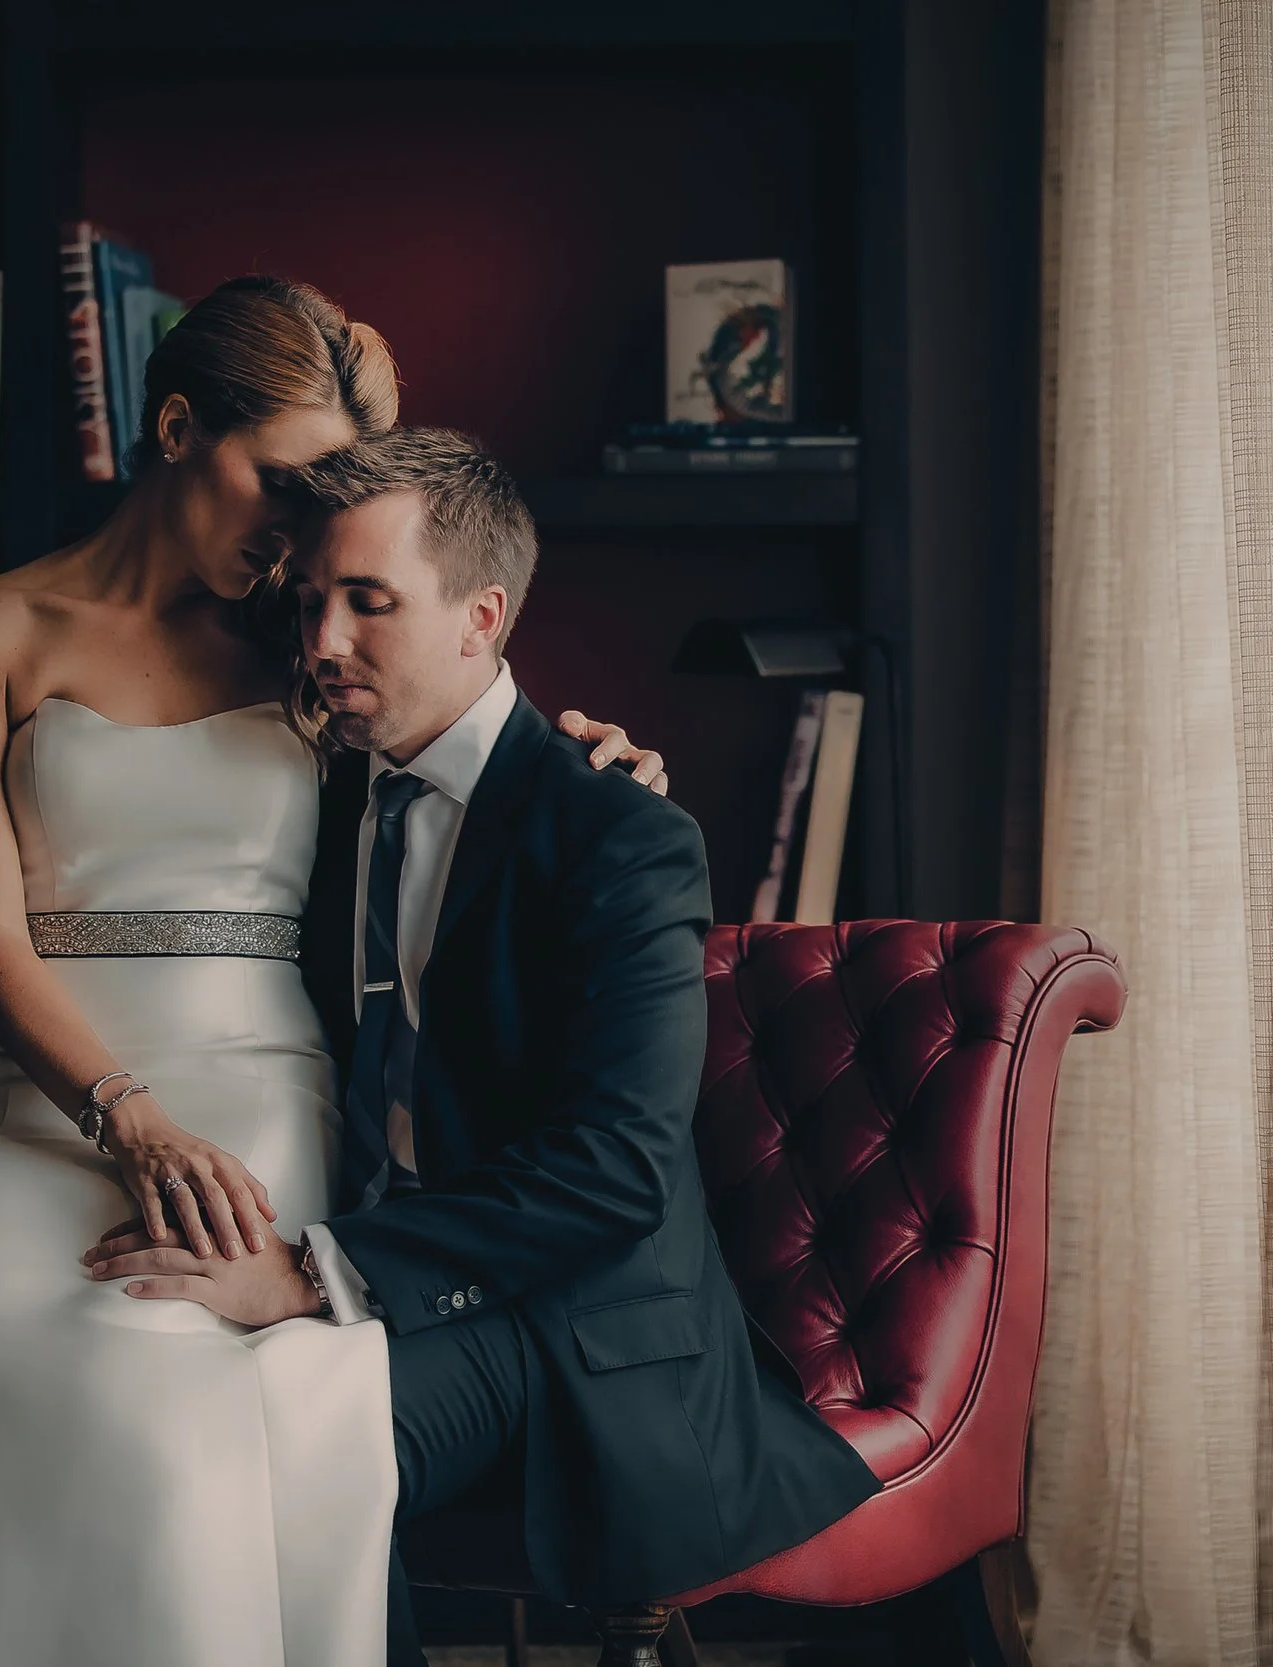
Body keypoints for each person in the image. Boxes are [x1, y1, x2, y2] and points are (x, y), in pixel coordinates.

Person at [0, 277, 666, 1666]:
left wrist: (597, 769)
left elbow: (471, 723)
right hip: (44, 1097)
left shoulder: (307, 639)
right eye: (276, 478)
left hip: (261, 1095)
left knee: (165, 1375)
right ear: (172, 426)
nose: (294, 526)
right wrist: (127, 1112)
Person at [77, 427, 881, 1662]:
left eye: (367, 602)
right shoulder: (328, 793)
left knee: (294, 1435)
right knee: (129, 1403)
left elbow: (611, 1172)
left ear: (481, 615)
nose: (321, 640)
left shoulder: (619, 832)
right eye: (309, 602)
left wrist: (310, 1271)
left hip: (569, 1314)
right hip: (385, 1256)